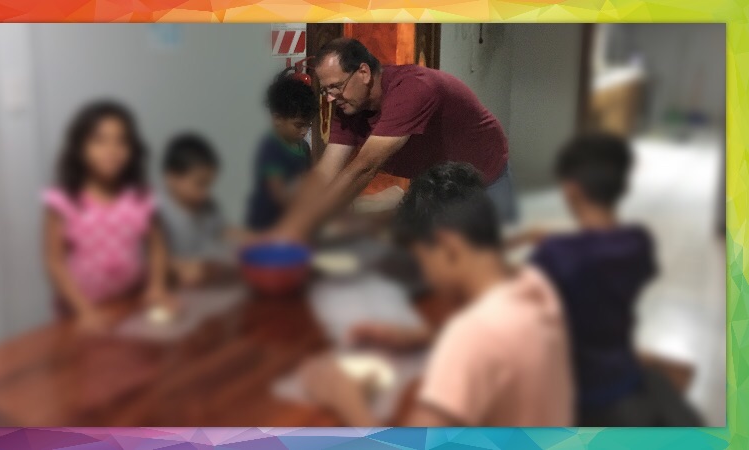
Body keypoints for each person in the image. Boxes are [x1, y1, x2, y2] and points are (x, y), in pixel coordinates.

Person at [302, 162, 573, 427]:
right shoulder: (532, 284)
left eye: (422, 257)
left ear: (447, 246)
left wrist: (347, 401)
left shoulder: (467, 340)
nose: (425, 271)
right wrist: (420, 337)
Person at [268, 38, 515, 243]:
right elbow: (327, 170)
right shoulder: (348, 105)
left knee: (489, 263)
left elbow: (364, 167)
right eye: (326, 91)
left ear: (363, 72)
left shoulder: (412, 89)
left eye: (336, 87)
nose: (331, 98)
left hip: (484, 176)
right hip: (434, 182)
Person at [529, 133, 702, 426]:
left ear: (571, 190)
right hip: (624, 373)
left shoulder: (554, 255)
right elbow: (598, 254)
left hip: (577, 390)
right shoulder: (638, 242)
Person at [43, 101, 174, 333]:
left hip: (130, 303)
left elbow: (157, 247)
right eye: (99, 140)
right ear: (79, 147)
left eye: (121, 141)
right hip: (79, 312)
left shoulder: (141, 198)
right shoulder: (63, 201)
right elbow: (55, 262)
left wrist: (157, 287)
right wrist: (85, 311)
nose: (112, 149)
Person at [159, 133, 248, 288]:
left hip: (205, 283)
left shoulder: (207, 206)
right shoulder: (156, 211)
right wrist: (178, 267)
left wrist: (260, 240)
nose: (206, 192)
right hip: (170, 287)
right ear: (171, 178)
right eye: (200, 184)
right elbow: (143, 260)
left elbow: (223, 231)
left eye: (209, 184)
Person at [245, 69, 319, 231]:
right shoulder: (270, 148)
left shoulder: (303, 147)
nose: (304, 131)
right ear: (277, 119)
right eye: (299, 125)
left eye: (308, 125)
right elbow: (278, 194)